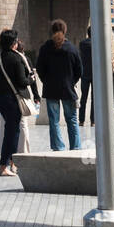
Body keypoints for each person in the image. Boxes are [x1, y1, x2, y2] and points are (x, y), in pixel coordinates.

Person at [0, 28, 31, 176]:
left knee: (11, 130)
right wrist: (31, 79)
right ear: (13, 43)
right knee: (13, 132)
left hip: (0, 99)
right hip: (13, 100)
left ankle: (10, 163)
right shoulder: (16, 58)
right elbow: (22, 82)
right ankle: (6, 165)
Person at [35, 19, 82, 151]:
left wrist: (46, 80)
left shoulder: (45, 48)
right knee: (72, 120)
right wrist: (71, 82)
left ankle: (58, 147)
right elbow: (80, 70)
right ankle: (76, 147)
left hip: (51, 89)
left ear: (52, 31)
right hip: (68, 89)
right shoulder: (72, 49)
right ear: (65, 31)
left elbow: (39, 68)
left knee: (54, 121)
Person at [13, 32, 41, 153]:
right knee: (23, 123)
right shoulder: (25, 59)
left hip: (9, 94)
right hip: (22, 95)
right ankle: (24, 150)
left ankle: (12, 151)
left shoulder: (8, 57)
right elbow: (32, 78)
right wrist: (36, 94)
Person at [78, 27, 93, 127]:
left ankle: (81, 120)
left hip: (84, 73)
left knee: (83, 97)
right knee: (94, 98)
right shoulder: (97, 43)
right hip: (95, 74)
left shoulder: (82, 44)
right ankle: (93, 121)